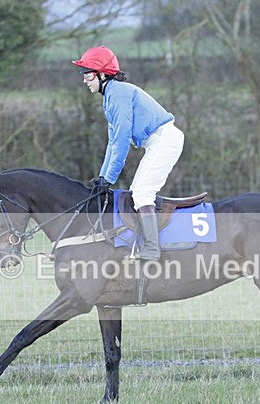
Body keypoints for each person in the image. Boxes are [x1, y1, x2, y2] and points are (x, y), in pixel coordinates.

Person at [73, 45, 184, 261]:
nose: (85, 79)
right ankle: (147, 244)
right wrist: (103, 178)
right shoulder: (110, 97)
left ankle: (152, 248)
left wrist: (110, 179)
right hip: (158, 141)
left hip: (164, 140)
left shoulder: (118, 95)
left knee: (142, 193)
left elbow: (122, 141)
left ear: (103, 74)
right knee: (137, 193)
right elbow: (112, 143)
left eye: (87, 73)